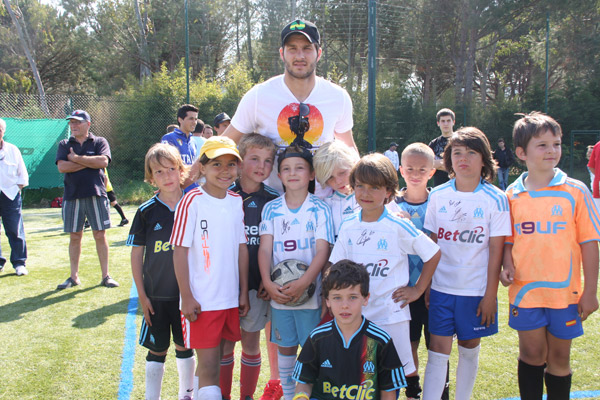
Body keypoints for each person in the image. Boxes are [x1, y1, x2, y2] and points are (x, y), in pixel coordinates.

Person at [501, 112, 600, 400]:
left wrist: (590, 291)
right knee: (532, 354)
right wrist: (505, 265)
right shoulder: (511, 194)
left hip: (564, 295)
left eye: (555, 144)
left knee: (559, 358)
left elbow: (590, 243)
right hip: (526, 292)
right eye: (542, 145)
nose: (551, 150)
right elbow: (507, 240)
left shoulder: (576, 191)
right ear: (521, 152)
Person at [328, 153, 441, 398]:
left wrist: (418, 290)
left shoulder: (398, 225)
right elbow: (335, 267)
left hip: (391, 316)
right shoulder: (348, 225)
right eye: (360, 186)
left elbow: (432, 254)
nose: (366, 193)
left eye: (374, 187)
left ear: (389, 191)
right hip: (357, 318)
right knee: (360, 378)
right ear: (353, 186)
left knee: (390, 379)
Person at [422, 127, 511, 400]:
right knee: (437, 352)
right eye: (457, 152)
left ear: (484, 159)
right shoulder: (437, 195)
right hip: (441, 289)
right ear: (448, 159)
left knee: (469, 350)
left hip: (475, 292)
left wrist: (490, 296)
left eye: (471, 153)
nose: (464, 158)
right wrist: (427, 286)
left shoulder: (496, 198)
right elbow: (431, 245)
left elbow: (496, 251)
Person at [223, 19, 357, 194]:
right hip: (272, 205)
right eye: (292, 48)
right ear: (282, 53)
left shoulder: (338, 97)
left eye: (307, 48)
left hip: (323, 204)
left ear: (319, 53)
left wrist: (377, 195)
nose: (299, 56)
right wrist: (189, 178)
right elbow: (224, 142)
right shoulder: (259, 96)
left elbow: (349, 149)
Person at [170, 136, 250, 400]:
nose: (225, 171)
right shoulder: (191, 200)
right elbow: (179, 250)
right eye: (217, 164)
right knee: (208, 368)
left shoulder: (236, 201)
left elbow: (241, 248)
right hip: (203, 301)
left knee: (223, 359)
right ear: (202, 168)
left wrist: (242, 293)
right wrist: (187, 296)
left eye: (231, 164)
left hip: (229, 300)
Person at [258, 145, 334, 400]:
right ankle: (289, 396)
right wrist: (267, 282)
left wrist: (305, 281)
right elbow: (265, 249)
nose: (293, 173)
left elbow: (323, 251)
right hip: (280, 296)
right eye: (286, 169)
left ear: (312, 174)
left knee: (313, 350)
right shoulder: (271, 209)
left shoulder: (319, 208)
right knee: (286, 348)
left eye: (299, 168)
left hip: (311, 297)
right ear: (278, 175)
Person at [127, 143, 195, 400]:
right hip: (156, 297)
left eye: (171, 169)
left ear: (181, 170)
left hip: (187, 294)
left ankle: (186, 394)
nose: (166, 176)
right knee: (157, 350)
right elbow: (136, 254)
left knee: (185, 345)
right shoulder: (146, 212)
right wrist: (142, 296)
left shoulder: (194, 205)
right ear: (150, 177)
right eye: (158, 172)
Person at [221, 134, 282, 400]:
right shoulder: (222, 194)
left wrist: (269, 280)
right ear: (240, 160)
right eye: (254, 159)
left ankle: (246, 396)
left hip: (257, 286)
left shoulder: (274, 199)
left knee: (250, 342)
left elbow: (279, 245)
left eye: (268, 161)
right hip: (222, 285)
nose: (261, 166)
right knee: (223, 347)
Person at [292, 259, 408, 400]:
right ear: (327, 300)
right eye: (337, 298)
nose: (345, 305)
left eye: (352, 297)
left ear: (365, 298)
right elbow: (304, 382)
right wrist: (301, 397)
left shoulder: (380, 341)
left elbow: (388, 392)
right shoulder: (317, 338)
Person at [395, 143, 449, 400]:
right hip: (404, 288)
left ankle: (441, 392)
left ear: (431, 172)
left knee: (438, 346)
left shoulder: (440, 202)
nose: (415, 173)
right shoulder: (391, 205)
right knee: (409, 343)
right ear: (400, 170)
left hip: (436, 288)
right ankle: (413, 391)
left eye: (422, 169)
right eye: (410, 168)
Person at [55, 110, 119, 289]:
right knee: (75, 236)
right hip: (72, 195)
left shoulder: (99, 141)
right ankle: (73, 277)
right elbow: (62, 167)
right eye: (71, 123)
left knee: (100, 234)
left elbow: (103, 162)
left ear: (88, 124)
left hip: (96, 193)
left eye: (78, 122)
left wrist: (75, 159)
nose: (73, 126)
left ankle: (106, 276)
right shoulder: (64, 144)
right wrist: (88, 162)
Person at [0, 118, 29, 276]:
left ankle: (19, 263)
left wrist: (17, 188)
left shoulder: (12, 150)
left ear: (3, 132)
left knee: (14, 230)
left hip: (10, 196)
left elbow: (22, 175)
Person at [313, 141, 360, 238]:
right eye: (330, 177)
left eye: (342, 173)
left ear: (354, 165)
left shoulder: (374, 196)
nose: (338, 181)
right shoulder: (326, 205)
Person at [161, 104, 201, 192]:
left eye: (196, 119)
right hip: (177, 191)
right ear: (180, 120)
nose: (194, 122)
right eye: (191, 118)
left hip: (193, 189)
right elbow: (164, 166)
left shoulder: (193, 141)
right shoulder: (169, 138)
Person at [428, 109, 455, 187]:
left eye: (448, 121)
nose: (445, 124)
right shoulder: (433, 144)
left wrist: (439, 163)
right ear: (438, 123)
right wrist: (450, 164)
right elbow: (428, 164)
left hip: (458, 186)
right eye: (443, 121)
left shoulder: (461, 141)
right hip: (439, 186)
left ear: (453, 122)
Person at [587, 141, 600, 208]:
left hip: (598, 186)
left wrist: (598, 176)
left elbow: (591, 166)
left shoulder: (598, 145)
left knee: (597, 215)